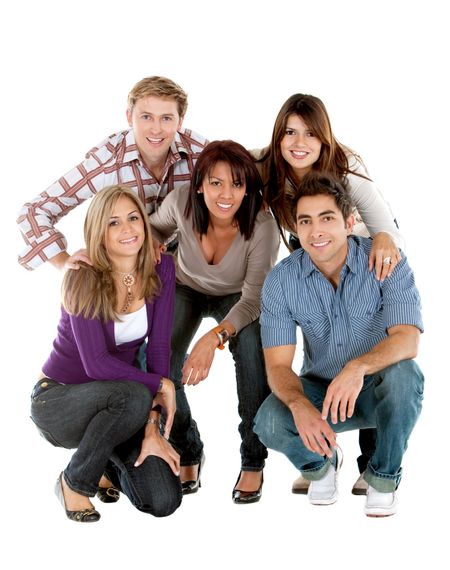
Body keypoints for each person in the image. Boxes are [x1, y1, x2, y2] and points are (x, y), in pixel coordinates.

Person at [253, 93, 405, 494]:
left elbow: (385, 226)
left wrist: (386, 243)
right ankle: (321, 454)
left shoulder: (348, 171)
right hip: (314, 260)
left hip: (361, 254)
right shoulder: (268, 167)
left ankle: (375, 465)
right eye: (289, 132)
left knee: (369, 340)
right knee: (326, 345)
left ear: (325, 139)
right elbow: (229, 163)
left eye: (309, 133)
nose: (298, 142)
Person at [254, 171, 424, 517]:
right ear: (296, 229)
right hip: (322, 394)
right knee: (269, 420)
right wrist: (299, 404)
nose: (316, 231)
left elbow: (408, 339)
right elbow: (277, 366)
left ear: (349, 222)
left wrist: (357, 367)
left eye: (327, 218)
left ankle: (382, 478)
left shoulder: (386, 262)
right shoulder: (281, 281)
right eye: (306, 221)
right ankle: (321, 464)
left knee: (406, 375)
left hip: (377, 389)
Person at [30, 185, 182, 522]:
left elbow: (158, 348)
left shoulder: (163, 268)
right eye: (113, 223)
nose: (127, 230)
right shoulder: (81, 276)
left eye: (132, 219)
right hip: (59, 401)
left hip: (122, 407)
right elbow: (96, 364)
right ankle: (75, 482)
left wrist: (152, 427)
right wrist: (160, 384)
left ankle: (103, 466)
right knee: (132, 395)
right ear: (98, 233)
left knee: (163, 499)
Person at [149, 140, 280, 503]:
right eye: (216, 182)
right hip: (186, 287)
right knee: (161, 362)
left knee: (254, 357)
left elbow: (255, 299)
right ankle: (188, 448)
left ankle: (253, 460)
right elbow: (153, 229)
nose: (226, 194)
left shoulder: (262, 225)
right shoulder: (179, 203)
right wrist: (153, 244)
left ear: (248, 188)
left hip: (239, 298)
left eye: (237, 184)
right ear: (200, 184)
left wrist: (213, 338)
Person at [17, 76, 208, 271]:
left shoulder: (201, 154)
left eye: (166, 118)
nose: (156, 129)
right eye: (146, 117)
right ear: (129, 117)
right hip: (122, 262)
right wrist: (62, 261)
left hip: (186, 262)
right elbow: (34, 211)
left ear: (180, 121)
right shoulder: (107, 161)